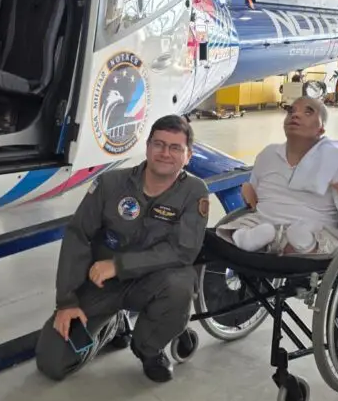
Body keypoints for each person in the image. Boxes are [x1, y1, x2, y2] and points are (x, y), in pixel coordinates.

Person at [35, 114, 210, 383]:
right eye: (159, 144)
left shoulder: (194, 192)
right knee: (52, 363)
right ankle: (113, 326)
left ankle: (149, 349)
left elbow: (182, 251)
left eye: (175, 147)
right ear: (147, 146)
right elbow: (78, 236)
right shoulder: (110, 184)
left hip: (152, 283)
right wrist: (67, 302)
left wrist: (119, 265)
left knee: (180, 286)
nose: (165, 153)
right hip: (101, 285)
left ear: (188, 156)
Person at [217, 96, 338, 255]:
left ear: (321, 129)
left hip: (313, 232)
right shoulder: (268, 154)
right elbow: (253, 198)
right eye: (291, 111)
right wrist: (247, 190)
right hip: (265, 226)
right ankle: (250, 239)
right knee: (239, 227)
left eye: (308, 112)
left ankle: (303, 244)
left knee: (314, 239)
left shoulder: (335, 162)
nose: (295, 115)